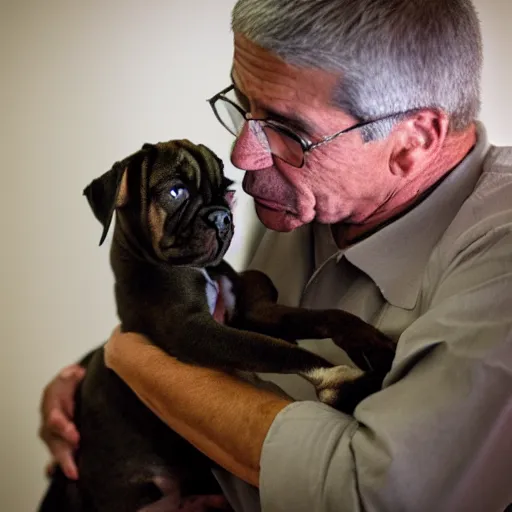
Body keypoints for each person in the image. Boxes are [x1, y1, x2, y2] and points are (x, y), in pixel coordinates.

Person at [39, 0, 512, 510]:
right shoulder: (304, 197)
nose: (243, 155)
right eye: (243, 105)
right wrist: (92, 390)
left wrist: (133, 361)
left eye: (288, 129)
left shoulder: (498, 262)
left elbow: (370, 496)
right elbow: (214, 325)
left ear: (413, 140)